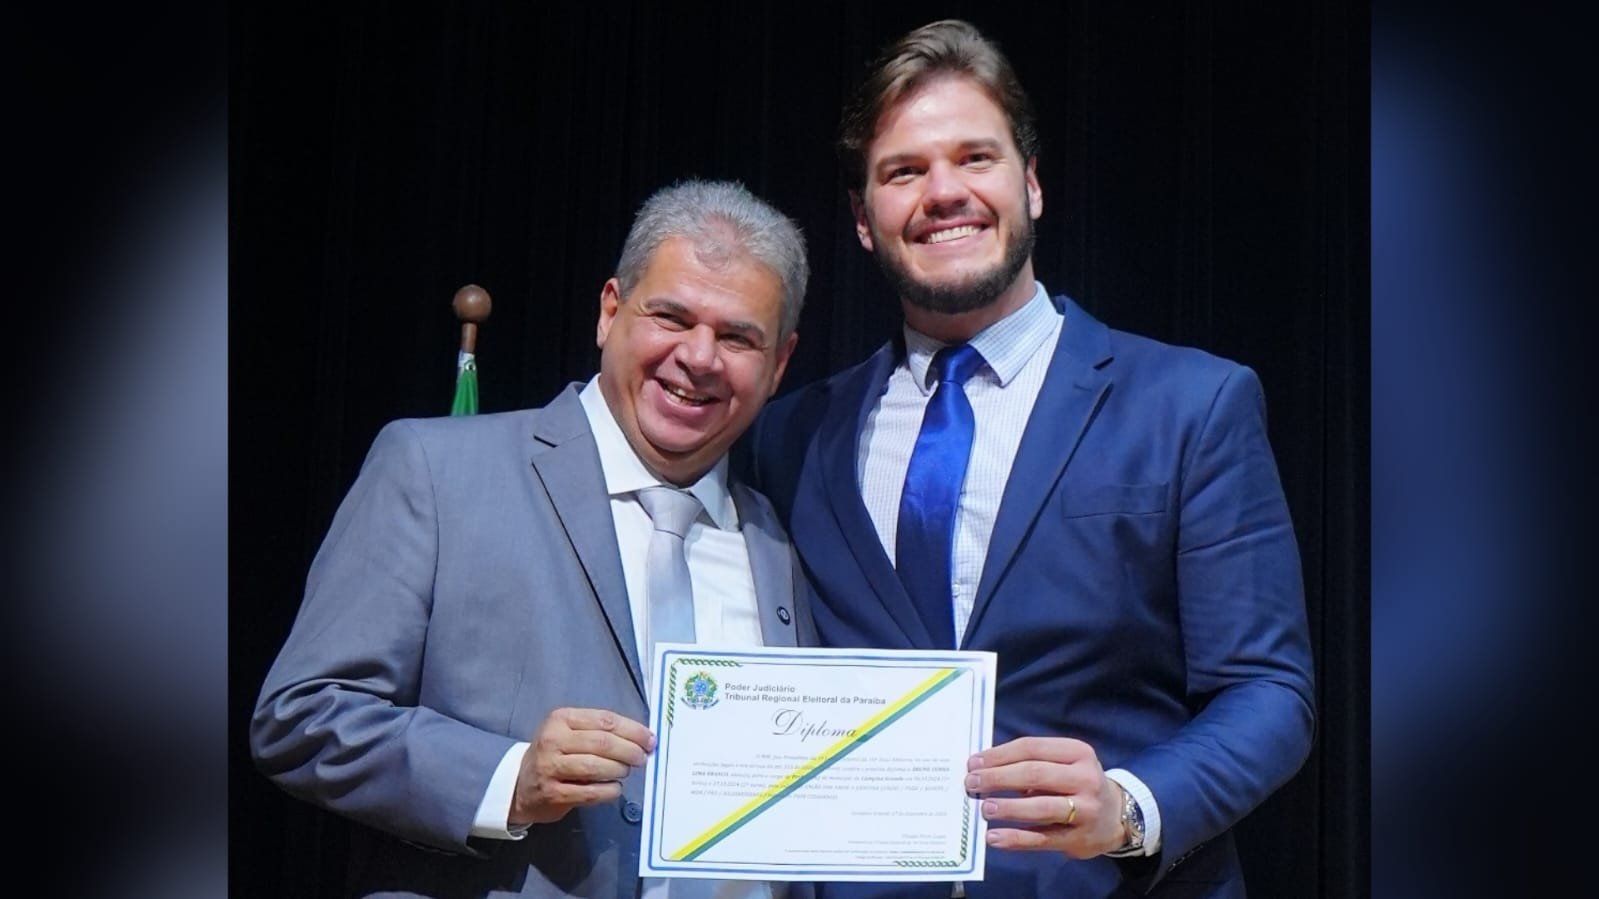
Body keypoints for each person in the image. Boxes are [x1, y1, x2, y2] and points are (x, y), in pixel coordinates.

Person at [743, 20, 1314, 899]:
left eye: (975, 158)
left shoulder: (1191, 404)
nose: (943, 192)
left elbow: (1269, 692)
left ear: (1031, 185)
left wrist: (1128, 808)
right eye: (904, 171)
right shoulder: (792, 434)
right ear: (862, 220)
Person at [253, 179, 817, 899]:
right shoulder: (435, 470)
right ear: (610, 311)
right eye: (670, 316)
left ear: (779, 363)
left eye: (737, 336)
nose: (699, 357)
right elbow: (301, 714)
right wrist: (507, 779)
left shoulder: (779, 542)